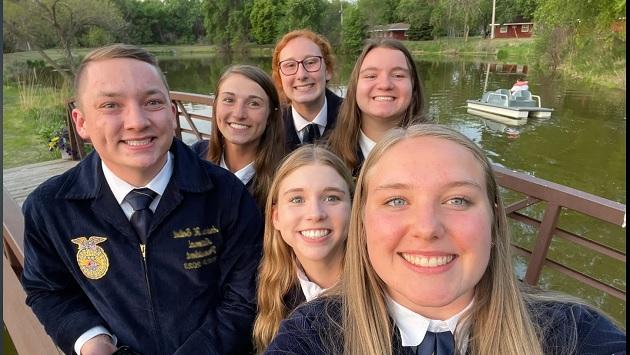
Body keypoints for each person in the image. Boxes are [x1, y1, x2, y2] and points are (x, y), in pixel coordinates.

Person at [265, 124, 626, 355]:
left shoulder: (574, 333)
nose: (427, 228)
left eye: (458, 200)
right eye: (396, 201)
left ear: (494, 219)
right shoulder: (312, 334)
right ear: (362, 224)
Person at [21, 44, 263, 355]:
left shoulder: (226, 194)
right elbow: (49, 289)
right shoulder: (50, 208)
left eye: (152, 102)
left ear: (172, 114)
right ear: (81, 122)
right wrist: (89, 339)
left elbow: (244, 298)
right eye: (111, 105)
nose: (137, 121)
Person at [253, 145, 354, 353]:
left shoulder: (387, 288)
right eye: (297, 199)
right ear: (276, 217)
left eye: (332, 197)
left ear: (354, 208)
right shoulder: (266, 289)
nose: (315, 214)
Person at [327, 39, 429, 176]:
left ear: (414, 87)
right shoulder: (327, 158)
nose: (385, 85)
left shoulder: (441, 154)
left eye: (398, 75)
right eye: (371, 76)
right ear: (355, 87)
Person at [191, 64, 285, 209]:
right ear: (215, 106)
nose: (239, 114)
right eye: (229, 100)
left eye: (254, 103)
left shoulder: (287, 175)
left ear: (270, 115)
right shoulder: (192, 159)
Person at [272, 29, 343, 151]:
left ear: (328, 71)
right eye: (290, 65)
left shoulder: (356, 118)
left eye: (311, 62)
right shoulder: (270, 126)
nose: (301, 75)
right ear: (279, 78)